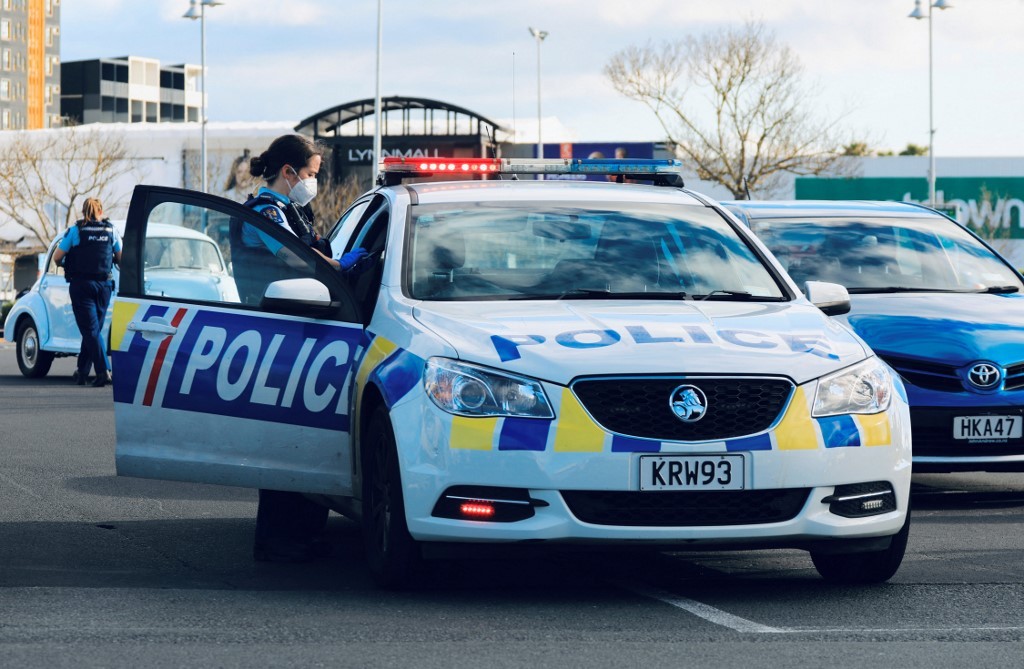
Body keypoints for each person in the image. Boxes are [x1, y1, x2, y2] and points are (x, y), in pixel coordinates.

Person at [240, 134, 366, 562]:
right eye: (310, 174)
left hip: (297, 332)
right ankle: (278, 541)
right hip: (276, 336)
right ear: (288, 172)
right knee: (285, 443)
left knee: (301, 441)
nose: (313, 181)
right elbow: (300, 261)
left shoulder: (291, 209)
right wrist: (345, 265)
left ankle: (301, 535)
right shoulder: (265, 213)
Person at [52, 198, 122, 388]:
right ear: (101, 211)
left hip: (82, 286)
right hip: (105, 286)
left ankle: (103, 371)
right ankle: (82, 372)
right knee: (93, 330)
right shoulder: (111, 230)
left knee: (90, 330)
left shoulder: (75, 231)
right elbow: (121, 259)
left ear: (83, 212)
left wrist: (68, 264)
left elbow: (57, 257)